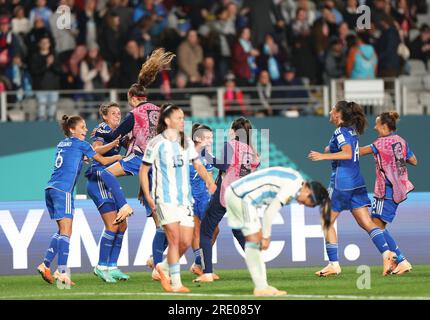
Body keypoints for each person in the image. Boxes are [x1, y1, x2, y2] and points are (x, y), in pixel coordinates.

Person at [95, 49, 175, 272]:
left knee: (106, 173)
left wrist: (101, 134)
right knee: (159, 218)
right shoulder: (159, 111)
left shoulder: (134, 114)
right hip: (158, 164)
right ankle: (158, 264)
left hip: (139, 158)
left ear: (132, 98)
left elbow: (114, 135)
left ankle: (122, 205)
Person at [308, 101, 392, 277]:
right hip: (357, 182)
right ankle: (387, 253)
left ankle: (334, 264)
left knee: (326, 221)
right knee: (366, 222)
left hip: (342, 183)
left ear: (338, 114)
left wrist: (323, 156)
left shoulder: (340, 131)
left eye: (332, 109)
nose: (330, 111)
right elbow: (347, 148)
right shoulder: (351, 131)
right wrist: (329, 148)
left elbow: (347, 153)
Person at [139, 104, 217, 293]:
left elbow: (197, 164)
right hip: (165, 199)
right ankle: (176, 284)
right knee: (174, 240)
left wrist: (209, 180)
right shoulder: (155, 143)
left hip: (185, 200)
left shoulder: (187, 142)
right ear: (167, 121)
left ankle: (163, 267)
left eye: (183, 118)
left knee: (185, 241)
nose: (182, 121)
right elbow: (144, 170)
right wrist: (148, 195)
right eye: (178, 118)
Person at [37, 115, 122, 286]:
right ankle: (62, 273)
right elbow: (103, 160)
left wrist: (105, 148)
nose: (85, 130)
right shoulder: (81, 144)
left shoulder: (62, 143)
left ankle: (45, 264)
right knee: (67, 232)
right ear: (72, 129)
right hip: (64, 191)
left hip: (51, 189)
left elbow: (80, 158)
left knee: (61, 230)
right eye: (82, 127)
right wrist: (119, 157)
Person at [225, 166, 331, 296]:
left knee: (253, 241)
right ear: (308, 192)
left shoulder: (295, 180)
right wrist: (266, 236)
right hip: (242, 198)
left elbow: (267, 209)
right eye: (307, 203)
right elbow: (270, 212)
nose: (301, 204)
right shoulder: (293, 186)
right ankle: (261, 288)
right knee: (255, 240)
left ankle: (262, 286)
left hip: (236, 194)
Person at [194, 117, 260, 283]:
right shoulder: (251, 151)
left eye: (231, 128)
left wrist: (205, 155)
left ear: (234, 131)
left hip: (225, 193)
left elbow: (223, 166)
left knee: (205, 232)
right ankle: (257, 266)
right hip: (241, 195)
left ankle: (207, 272)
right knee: (238, 231)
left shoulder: (230, 145)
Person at [360, 112, 417, 275]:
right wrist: (397, 158)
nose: (374, 126)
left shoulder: (379, 143)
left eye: (377, 124)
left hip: (385, 190)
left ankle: (400, 260)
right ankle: (397, 260)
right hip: (400, 189)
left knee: (375, 226)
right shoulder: (401, 141)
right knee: (377, 225)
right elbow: (414, 161)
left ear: (384, 126)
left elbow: (358, 152)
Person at [85, 103, 130, 282]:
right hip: (98, 179)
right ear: (104, 117)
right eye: (113, 113)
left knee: (123, 224)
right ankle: (101, 266)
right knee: (112, 224)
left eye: (119, 113)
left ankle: (112, 266)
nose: (117, 116)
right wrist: (114, 147)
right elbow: (94, 150)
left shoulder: (119, 132)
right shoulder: (102, 129)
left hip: (108, 180)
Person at [188, 123, 217, 276]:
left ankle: (199, 262)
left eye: (212, 137)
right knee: (197, 230)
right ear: (198, 138)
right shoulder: (187, 153)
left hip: (204, 197)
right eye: (208, 137)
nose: (211, 141)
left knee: (214, 230)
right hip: (190, 196)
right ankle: (201, 265)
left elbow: (210, 176)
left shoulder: (206, 155)